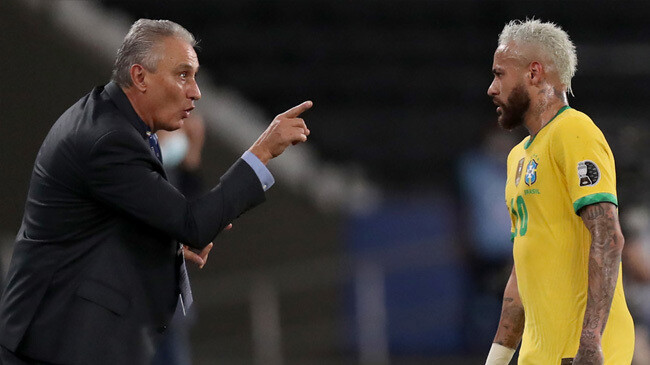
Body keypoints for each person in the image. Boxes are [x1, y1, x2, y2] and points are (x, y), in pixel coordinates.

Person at [0, 19, 312, 365]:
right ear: (139, 76)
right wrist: (261, 151)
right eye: (183, 75)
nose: (195, 91)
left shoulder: (119, 125)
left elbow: (100, 224)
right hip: (56, 344)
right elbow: (192, 223)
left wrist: (169, 245)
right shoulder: (109, 140)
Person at [484, 19, 634, 364]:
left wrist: (590, 342)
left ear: (534, 73)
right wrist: (497, 358)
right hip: (540, 354)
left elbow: (608, 236)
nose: (492, 88)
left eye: (500, 74)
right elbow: (522, 269)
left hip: (581, 354)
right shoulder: (518, 156)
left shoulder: (573, 131)